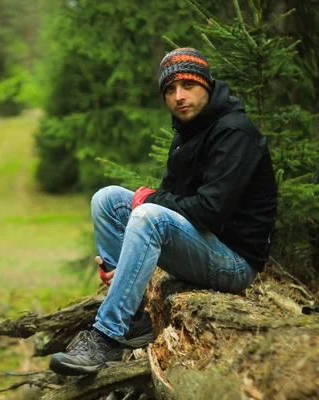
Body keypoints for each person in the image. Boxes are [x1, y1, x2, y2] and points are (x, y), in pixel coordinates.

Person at [49, 48, 278, 376]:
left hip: (235, 262)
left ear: (207, 87)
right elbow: (172, 200)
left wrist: (151, 200)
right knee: (108, 199)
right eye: (170, 89)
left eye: (188, 85)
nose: (179, 96)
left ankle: (107, 336)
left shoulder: (235, 132)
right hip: (201, 245)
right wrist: (126, 262)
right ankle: (133, 315)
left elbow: (208, 211)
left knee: (147, 214)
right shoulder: (186, 133)